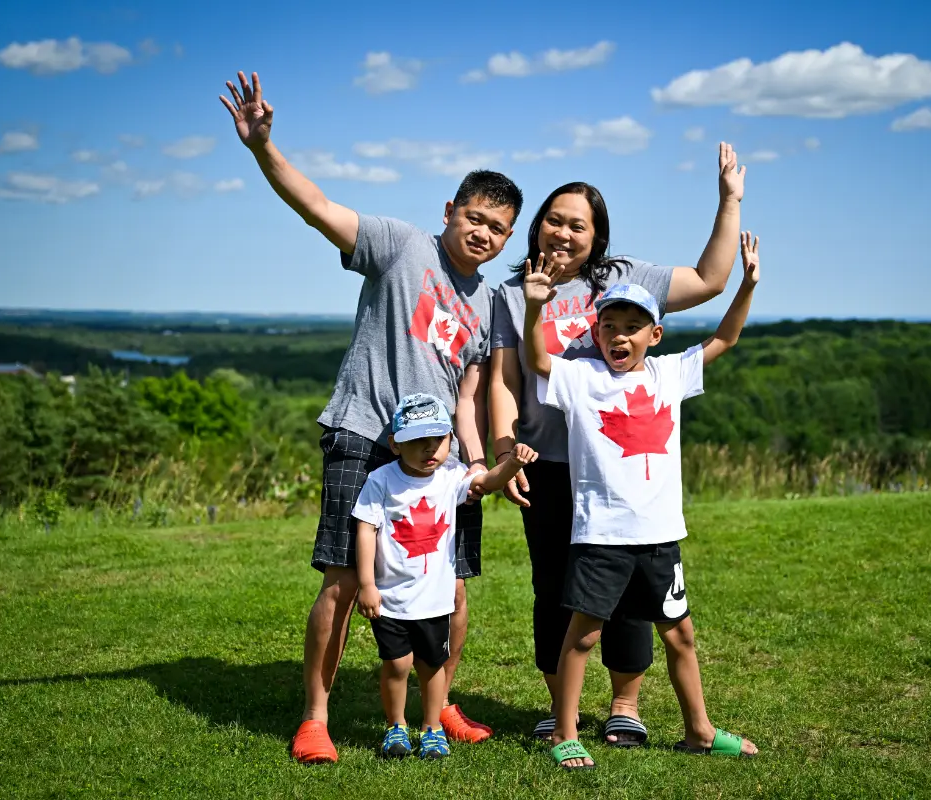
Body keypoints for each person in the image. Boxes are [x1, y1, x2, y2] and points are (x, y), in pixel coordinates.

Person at [219, 71, 523, 763]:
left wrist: (475, 462)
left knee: (451, 581)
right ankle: (316, 717)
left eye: (498, 229)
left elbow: (469, 395)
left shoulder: (489, 305)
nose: (483, 234)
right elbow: (318, 206)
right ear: (449, 210)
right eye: (475, 218)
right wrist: (263, 148)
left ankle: (438, 707)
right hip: (364, 430)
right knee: (347, 578)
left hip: (440, 455)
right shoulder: (399, 245)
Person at [488, 144, 746, 746]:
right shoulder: (511, 293)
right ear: (538, 224)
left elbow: (710, 280)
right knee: (554, 588)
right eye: (554, 218)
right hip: (547, 465)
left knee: (633, 594)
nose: (564, 231)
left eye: (579, 224)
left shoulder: (623, 280)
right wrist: (505, 450)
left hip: (622, 471)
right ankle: (564, 710)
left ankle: (625, 704)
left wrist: (729, 201)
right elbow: (507, 379)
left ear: (597, 236)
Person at [520, 231, 763, 770]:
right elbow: (537, 359)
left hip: (660, 539)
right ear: (595, 331)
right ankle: (566, 733)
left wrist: (744, 287)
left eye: (633, 327)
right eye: (609, 326)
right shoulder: (580, 377)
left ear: (654, 334)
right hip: (600, 539)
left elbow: (725, 339)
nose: (619, 336)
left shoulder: (668, 373)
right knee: (581, 638)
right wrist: (535, 309)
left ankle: (700, 731)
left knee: (681, 635)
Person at [354, 393, 538, 759]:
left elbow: (485, 483)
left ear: (450, 441)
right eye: (417, 441)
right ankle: (396, 726)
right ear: (395, 444)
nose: (429, 449)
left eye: (437, 440)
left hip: (435, 599)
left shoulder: (452, 475)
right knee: (397, 664)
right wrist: (367, 584)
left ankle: (432, 727)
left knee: (432, 665)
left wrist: (513, 464)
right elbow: (365, 528)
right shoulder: (381, 480)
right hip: (390, 598)